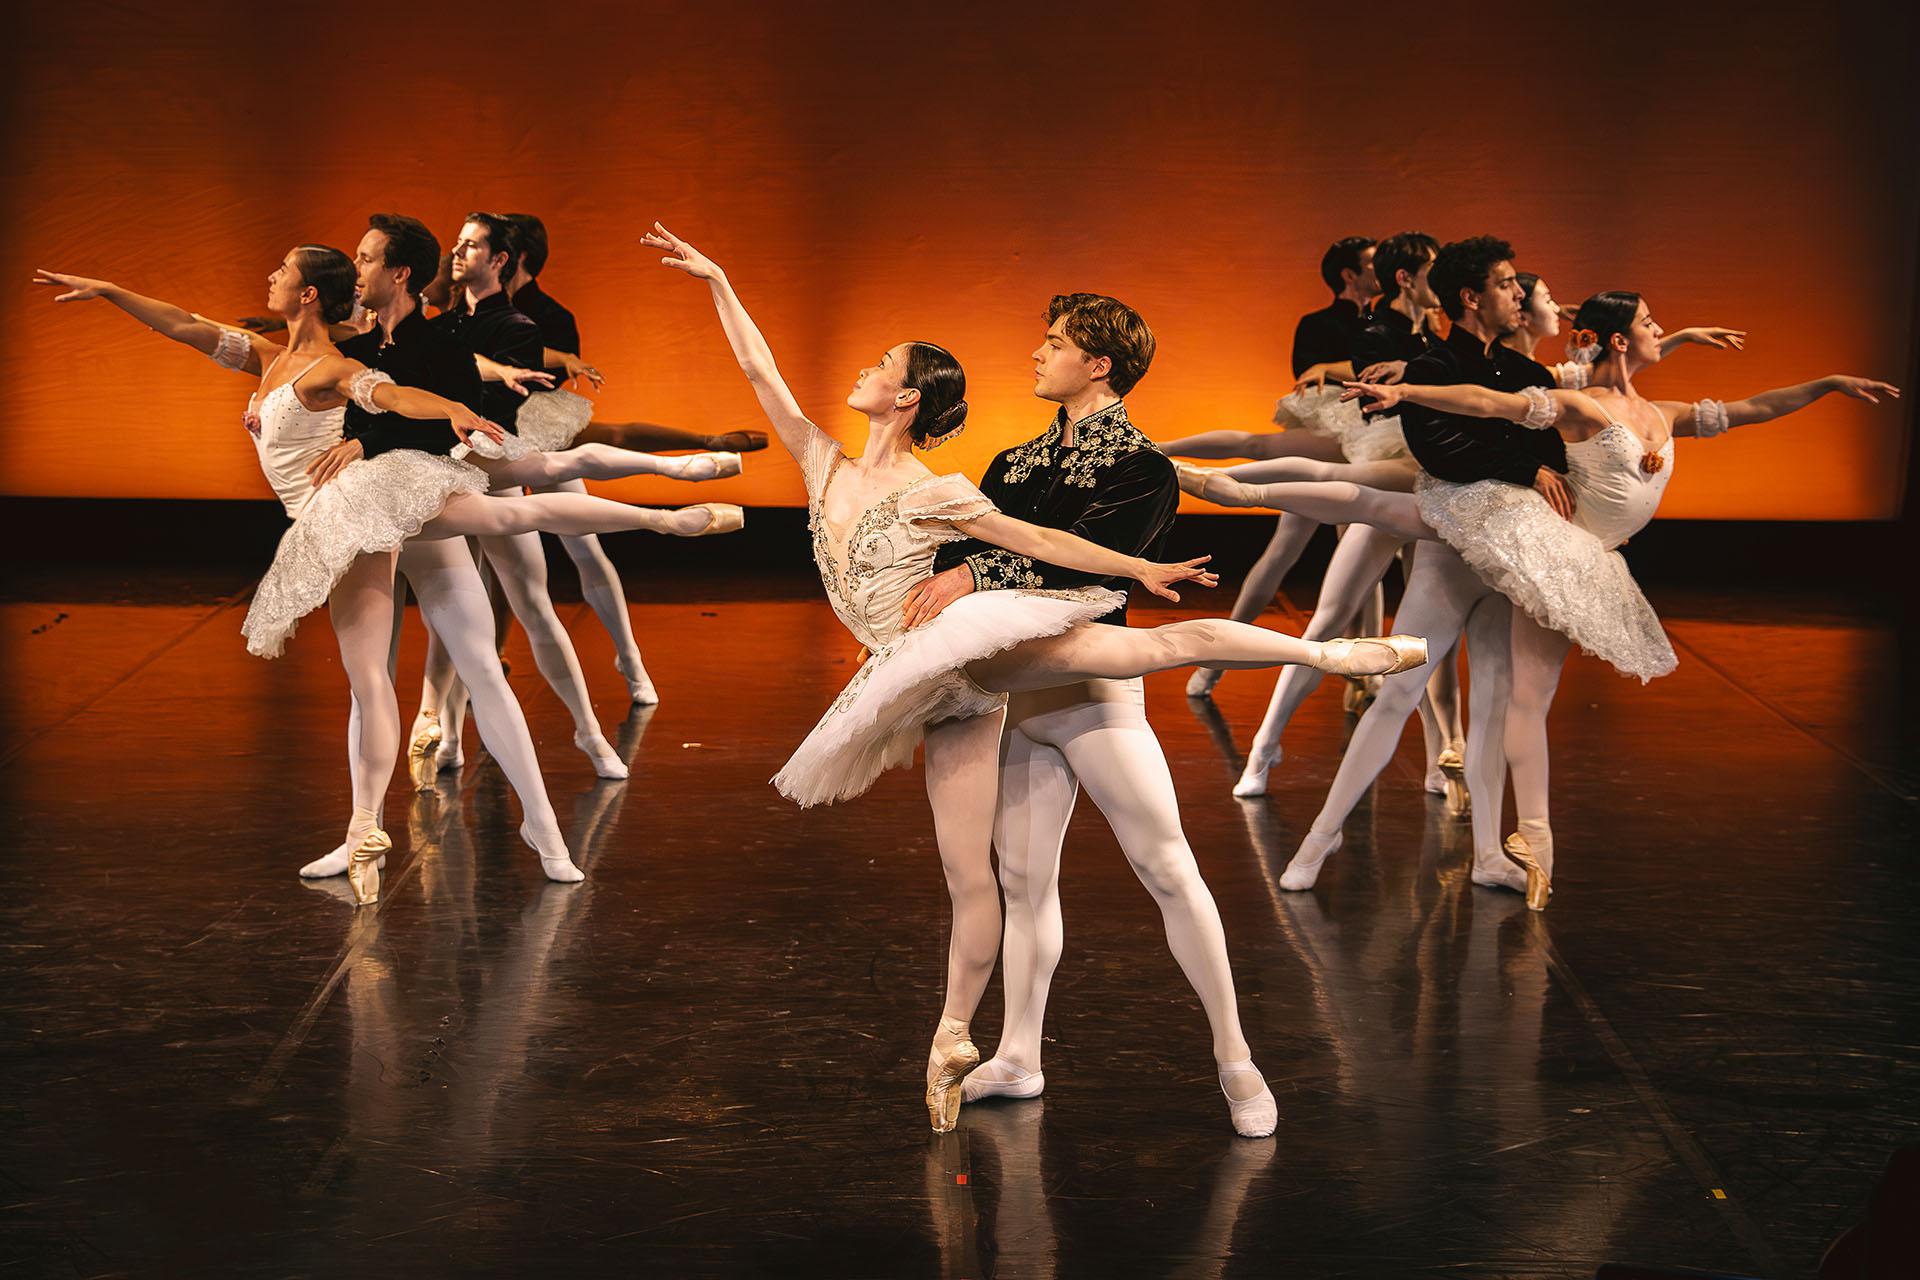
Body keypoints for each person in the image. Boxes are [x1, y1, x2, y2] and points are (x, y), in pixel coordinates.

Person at [645, 224, 1421, 1136]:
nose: (1036, 353)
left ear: (1096, 364)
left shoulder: (1141, 468)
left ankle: (1236, 1059)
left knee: (1167, 869)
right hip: (1008, 695)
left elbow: (1088, 568)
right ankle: (1017, 1054)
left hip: (1092, 693)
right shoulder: (1012, 463)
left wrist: (982, 574)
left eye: (1052, 342)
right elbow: (970, 548)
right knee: (1018, 885)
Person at [36, 250, 739, 902]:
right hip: (377, 498)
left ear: (307, 293)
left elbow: (396, 397)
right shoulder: (268, 358)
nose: (269, 278)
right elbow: (186, 326)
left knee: (377, 672)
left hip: (344, 513)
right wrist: (109, 292)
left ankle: (371, 827)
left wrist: (455, 409)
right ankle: (659, 523)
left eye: (281, 270)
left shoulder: (331, 369)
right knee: (493, 524)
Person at [1185, 288, 1899, 907]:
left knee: (1502, 702)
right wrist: (1409, 392)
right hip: (1511, 524)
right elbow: (1488, 399)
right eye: (1653, 322)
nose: (1661, 329)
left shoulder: (1663, 411)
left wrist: (1828, 384)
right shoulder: (1577, 398)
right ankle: (1318, 838)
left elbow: (1750, 407)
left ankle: (1503, 851)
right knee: (1387, 537)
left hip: (1560, 561)